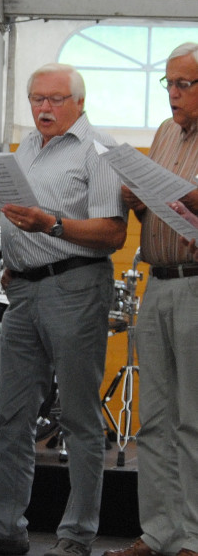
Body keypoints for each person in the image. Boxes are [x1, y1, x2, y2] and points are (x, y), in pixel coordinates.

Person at [0, 63, 127, 556]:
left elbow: (113, 233)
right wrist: (15, 263)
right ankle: (4, 528)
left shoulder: (99, 150)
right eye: (36, 99)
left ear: (79, 102)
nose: (44, 108)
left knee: (78, 417)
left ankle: (76, 536)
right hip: (23, 291)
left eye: (54, 99)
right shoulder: (26, 147)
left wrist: (49, 225)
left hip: (75, 286)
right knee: (11, 415)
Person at [103, 43, 198, 556]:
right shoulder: (163, 134)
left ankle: (194, 535)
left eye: (185, 84)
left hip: (197, 285)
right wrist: (137, 197)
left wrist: (184, 194)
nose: (174, 94)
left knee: (193, 418)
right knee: (155, 418)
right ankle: (159, 530)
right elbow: (162, 204)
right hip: (157, 279)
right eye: (169, 83)